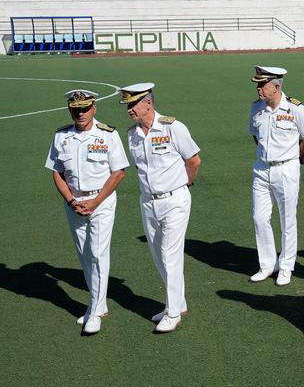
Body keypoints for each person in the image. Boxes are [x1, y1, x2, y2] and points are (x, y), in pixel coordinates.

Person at [45, 90, 128, 335]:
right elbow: (56, 172)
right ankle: (97, 303)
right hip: (74, 203)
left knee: (98, 253)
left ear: (94, 109)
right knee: (83, 254)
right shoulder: (61, 136)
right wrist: (71, 201)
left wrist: (94, 202)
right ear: (70, 110)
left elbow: (118, 172)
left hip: (100, 202)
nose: (80, 113)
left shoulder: (108, 135)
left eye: (84, 108)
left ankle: (94, 313)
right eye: (75, 109)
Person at [120, 83, 201, 333]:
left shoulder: (172, 127)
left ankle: (173, 313)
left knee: (169, 254)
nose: (130, 110)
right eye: (127, 106)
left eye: (133, 104)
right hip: (147, 201)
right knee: (158, 256)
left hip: (175, 199)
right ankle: (178, 303)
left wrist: (184, 184)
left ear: (148, 103)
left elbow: (194, 160)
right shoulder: (132, 134)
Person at [249, 66, 304, 286]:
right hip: (261, 169)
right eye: (258, 84)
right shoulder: (256, 108)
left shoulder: (295, 108)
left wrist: (296, 156)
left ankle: (286, 266)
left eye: (262, 84)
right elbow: (255, 135)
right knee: (259, 217)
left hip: (286, 169)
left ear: (276, 87)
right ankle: (268, 264)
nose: (258, 88)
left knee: (287, 219)